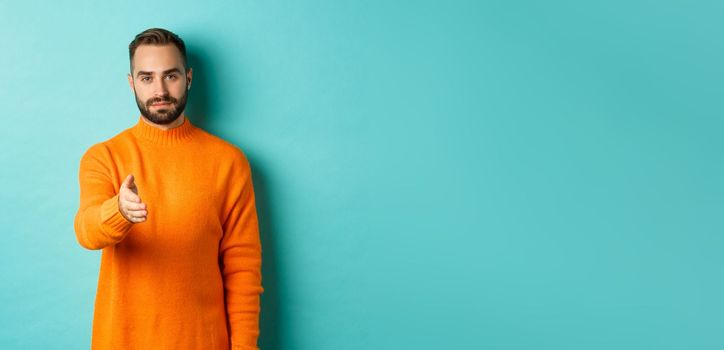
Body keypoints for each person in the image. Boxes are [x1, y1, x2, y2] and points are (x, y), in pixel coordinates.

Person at [73, 28, 264, 350]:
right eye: (146, 78)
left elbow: (242, 267)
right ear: (132, 83)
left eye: (170, 76)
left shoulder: (228, 161)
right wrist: (118, 211)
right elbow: (87, 231)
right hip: (122, 341)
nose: (160, 90)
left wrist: (245, 347)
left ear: (188, 78)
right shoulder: (104, 156)